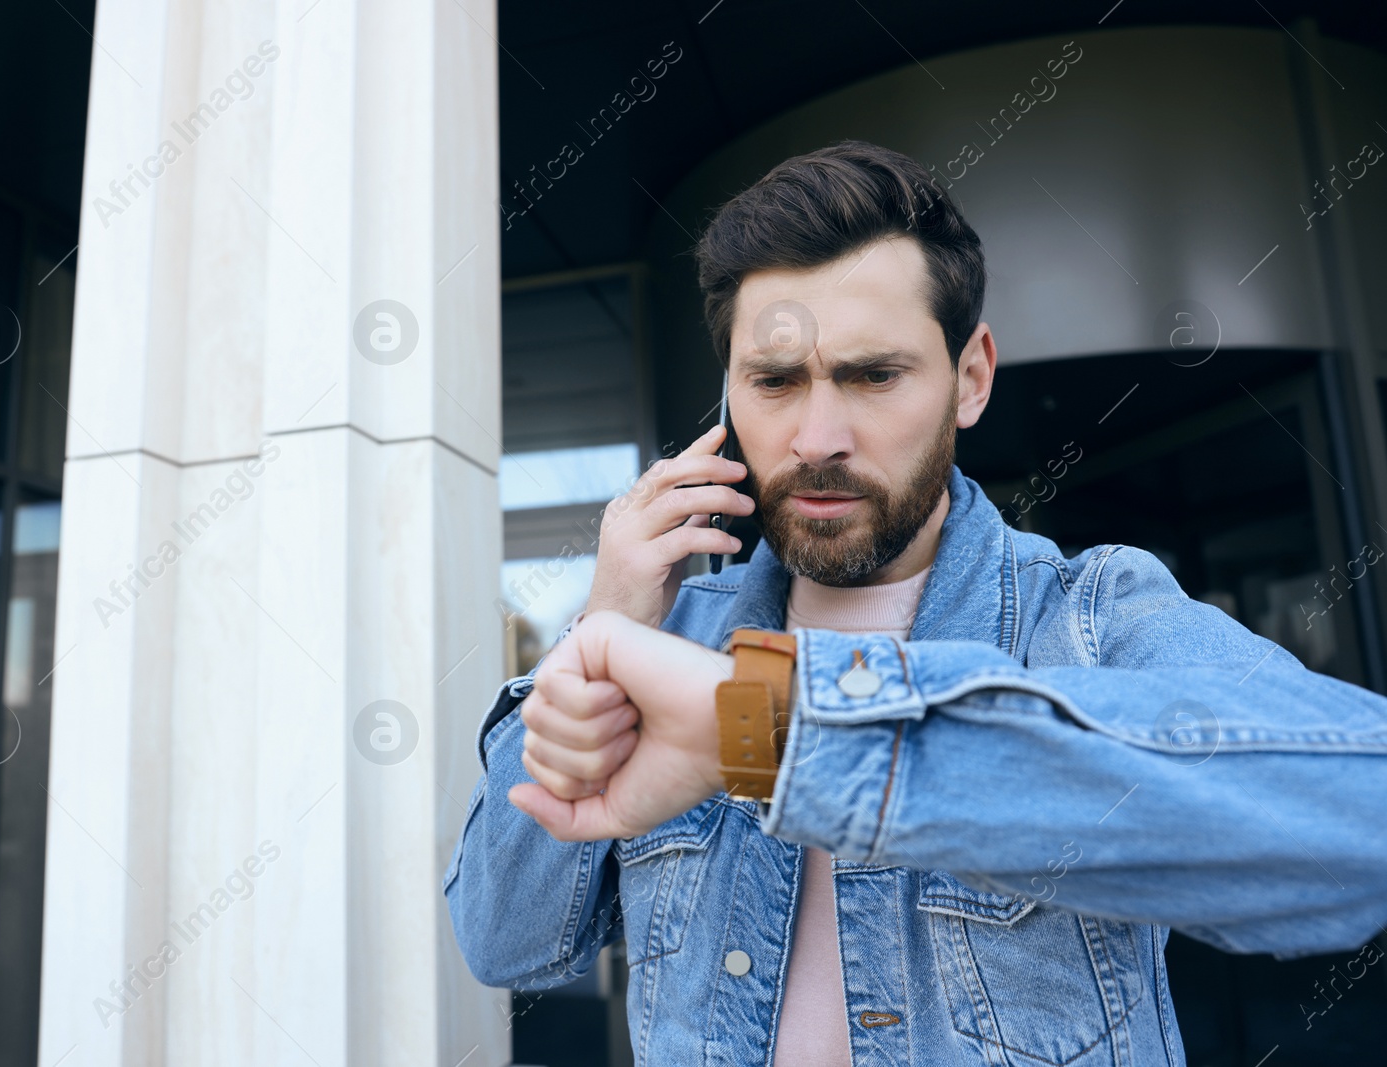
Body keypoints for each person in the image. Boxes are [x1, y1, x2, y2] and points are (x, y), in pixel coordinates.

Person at [442, 139, 1387, 1067]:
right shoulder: (667, 636)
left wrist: (785, 732)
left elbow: (1359, 816)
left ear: (970, 377)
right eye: (774, 382)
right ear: (728, 392)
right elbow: (507, 942)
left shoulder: (1090, 615)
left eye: (874, 375)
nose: (818, 437)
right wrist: (601, 627)